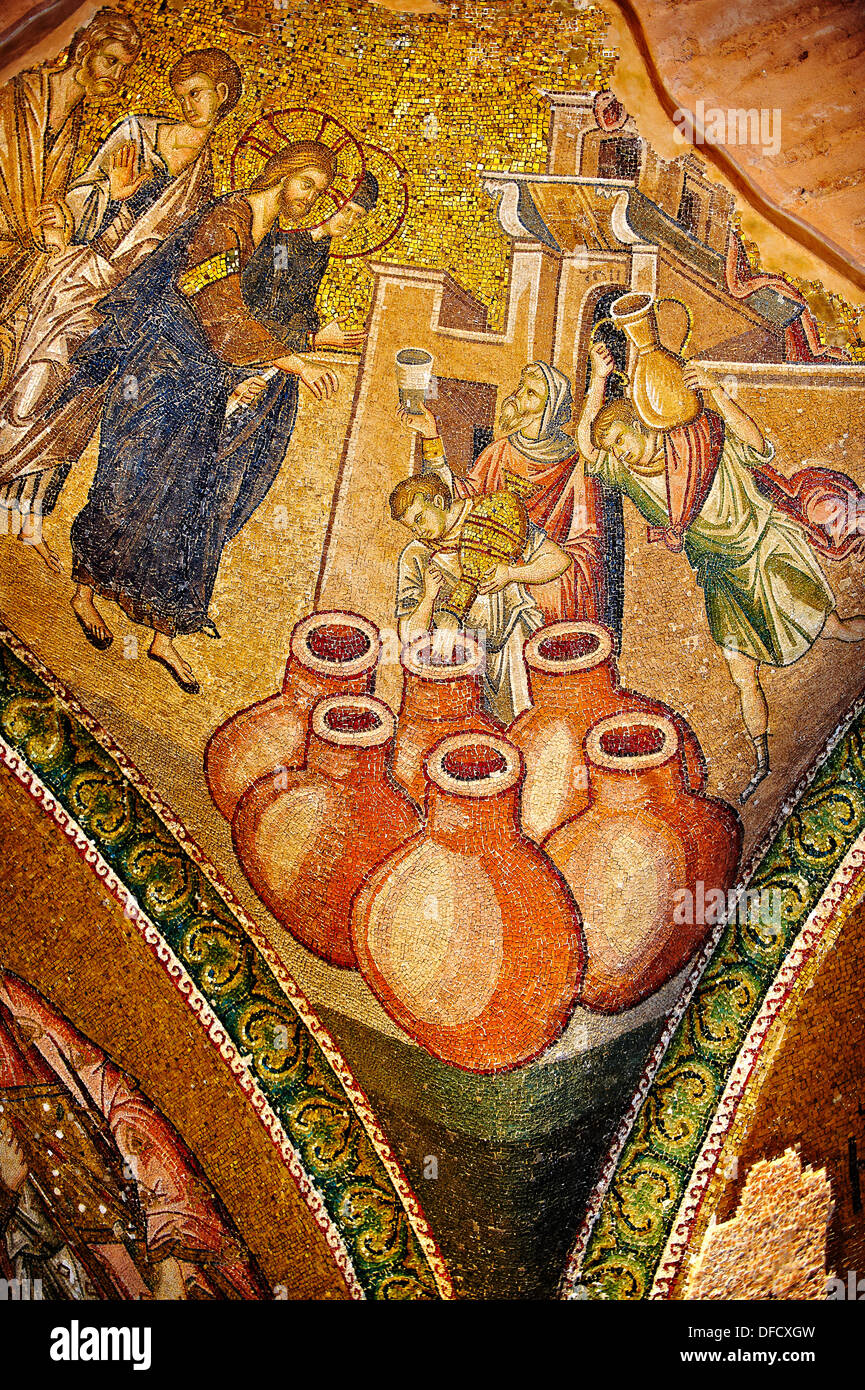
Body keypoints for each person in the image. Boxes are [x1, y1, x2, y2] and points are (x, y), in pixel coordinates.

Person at [61, 141, 350, 693]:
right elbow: (210, 302)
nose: (310, 199)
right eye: (306, 183)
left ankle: (162, 632)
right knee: (128, 483)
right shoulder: (228, 220)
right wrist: (297, 352)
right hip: (159, 365)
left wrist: (298, 337)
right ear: (280, 174)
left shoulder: (270, 236)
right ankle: (85, 589)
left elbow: (269, 294)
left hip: (202, 377)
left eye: (318, 190)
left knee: (184, 498)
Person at [581, 343, 865, 802]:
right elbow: (587, 449)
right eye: (612, 446)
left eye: (620, 439)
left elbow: (757, 446)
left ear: (641, 425)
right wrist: (596, 384)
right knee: (742, 674)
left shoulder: (702, 441)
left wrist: (718, 394)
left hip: (766, 555)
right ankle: (762, 763)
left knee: (836, 631)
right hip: (722, 579)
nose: (618, 452)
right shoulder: (629, 475)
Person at [0, 47, 242, 572]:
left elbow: (173, 252)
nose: (186, 105)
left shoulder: (203, 177)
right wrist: (117, 196)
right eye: (180, 96)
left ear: (221, 96)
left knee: (79, 406)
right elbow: (78, 199)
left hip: (126, 302)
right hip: (83, 276)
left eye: (196, 94)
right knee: (38, 384)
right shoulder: (136, 132)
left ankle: (25, 516)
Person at [0, 969, 267, 1299]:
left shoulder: (10, 1004)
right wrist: (5, 1190)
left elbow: (116, 1101)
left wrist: (170, 1254)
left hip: (123, 1247)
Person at [397, 360, 605, 623]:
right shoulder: (500, 451)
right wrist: (430, 435)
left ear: (549, 407)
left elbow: (585, 538)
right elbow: (461, 496)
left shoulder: (573, 463)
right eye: (521, 387)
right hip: (482, 551)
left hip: (533, 559)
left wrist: (522, 568)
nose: (518, 395)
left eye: (531, 393)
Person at [0, 8, 141, 347]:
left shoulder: (73, 120)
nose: (118, 75)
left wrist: (62, 216)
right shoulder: (22, 94)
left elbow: (48, 197)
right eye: (111, 61)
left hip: (18, 253)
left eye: (125, 68)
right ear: (83, 52)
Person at [390, 472, 572, 724]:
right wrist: (429, 597)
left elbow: (558, 560)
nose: (419, 531)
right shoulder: (416, 555)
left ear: (439, 503)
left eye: (420, 519)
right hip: (461, 660)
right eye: (412, 527)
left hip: (513, 644)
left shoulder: (492, 514)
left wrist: (512, 573)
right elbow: (410, 635)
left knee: (529, 724)